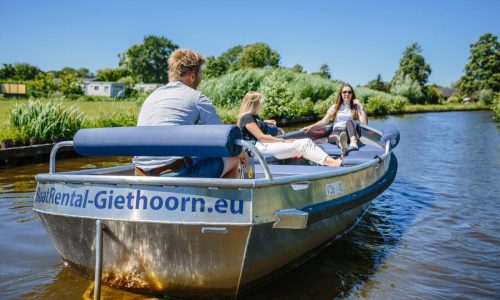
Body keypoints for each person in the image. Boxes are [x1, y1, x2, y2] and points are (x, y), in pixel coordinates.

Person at [133, 49, 244, 178]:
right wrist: (241, 153)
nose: (200, 79)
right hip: (173, 175)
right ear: (192, 75)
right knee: (232, 159)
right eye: (200, 74)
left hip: (140, 175)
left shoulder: (151, 97)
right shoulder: (196, 98)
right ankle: (221, 199)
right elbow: (225, 139)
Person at [237, 92, 343, 167]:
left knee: (306, 142)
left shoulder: (253, 116)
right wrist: (283, 141)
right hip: (257, 148)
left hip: (263, 146)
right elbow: (261, 137)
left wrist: (265, 122)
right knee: (304, 144)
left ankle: (329, 162)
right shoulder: (247, 118)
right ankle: (332, 163)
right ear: (254, 104)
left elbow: (256, 126)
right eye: (260, 103)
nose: (262, 105)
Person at [302, 83, 367, 155]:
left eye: (349, 92)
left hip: (350, 133)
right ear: (341, 94)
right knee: (336, 136)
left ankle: (353, 143)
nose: (347, 94)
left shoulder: (356, 107)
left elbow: (363, 123)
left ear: (352, 94)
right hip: (337, 131)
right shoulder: (335, 107)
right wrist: (310, 127)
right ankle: (343, 146)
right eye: (344, 92)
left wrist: (361, 105)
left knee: (349, 122)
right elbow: (323, 122)